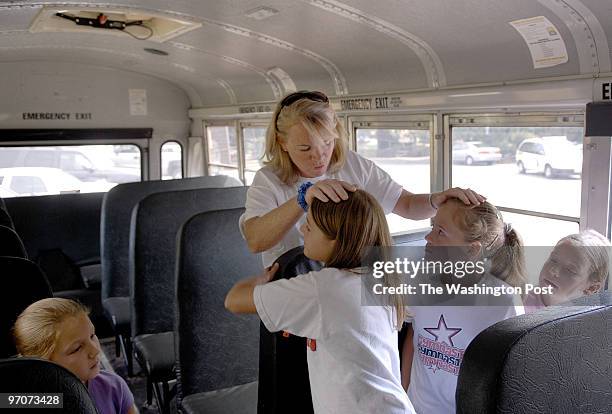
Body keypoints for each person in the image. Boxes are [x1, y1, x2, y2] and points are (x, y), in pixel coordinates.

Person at [240, 90, 484, 267]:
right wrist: (302, 199)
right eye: (305, 149)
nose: (319, 157)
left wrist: (436, 200)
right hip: (293, 283)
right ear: (282, 143)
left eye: (327, 143)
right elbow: (255, 240)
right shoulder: (268, 180)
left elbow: (406, 205)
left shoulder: (352, 165)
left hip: (346, 283)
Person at [226, 190, 416, 413]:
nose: (302, 229)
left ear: (336, 237)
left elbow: (234, 300)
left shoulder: (323, 289)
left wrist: (262, 279)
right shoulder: (382, 275)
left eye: (310, 225)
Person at [401, 199, 525, 414]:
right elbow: (414, 336)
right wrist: (402, 393)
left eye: (440, 232)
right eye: (432, 227)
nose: (428, 237)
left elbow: (508, 373)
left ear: (472, 250)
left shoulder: (503, 301)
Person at [13, 298, 137, 414]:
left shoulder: (113, 387)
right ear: (41, 364)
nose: (95, 350)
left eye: (92, 335)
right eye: (77, 348)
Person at [523, 229, 610, 311]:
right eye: (553, 260)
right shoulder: (519, 304)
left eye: (570, 270)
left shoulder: (588, 319)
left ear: (591, 288)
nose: (554, 271)